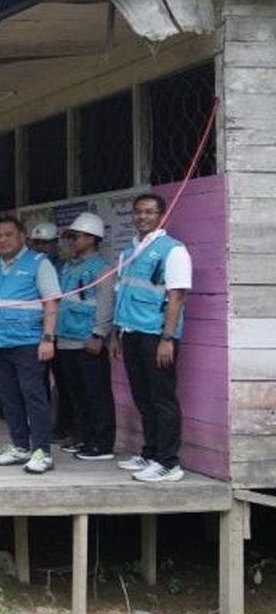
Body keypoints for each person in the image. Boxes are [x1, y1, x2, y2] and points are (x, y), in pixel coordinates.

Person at [0, 216, 61, 474]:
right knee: (9, 397)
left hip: (29, 343)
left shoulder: (39, 264)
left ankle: (41, 451)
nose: (2, 240)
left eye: (8, 234)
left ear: (22, 237)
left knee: (34, 396)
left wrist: (48, 338)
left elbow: (52, 302)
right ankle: (20, 446)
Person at [112, 193, 192, 483]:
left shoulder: (173, 250)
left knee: (162, 399)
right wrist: (118, 334)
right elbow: (123, 292)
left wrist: (167, 338)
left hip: (157, 336)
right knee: (143, 397)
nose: (142, 217)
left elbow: (177, 296)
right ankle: (150, 452)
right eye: (138, 211)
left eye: (149, 212)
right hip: (131, 332)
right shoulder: (130, 250)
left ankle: (168, 463)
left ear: (161, 215)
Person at [55, 212, 116, 461]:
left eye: (76, 237)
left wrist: (99, 334)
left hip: (88, 340)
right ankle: (84, 437)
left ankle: (101, 444)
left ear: (92, 238)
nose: (72, 242)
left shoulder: (101, 268)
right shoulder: (70, 266)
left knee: (96, 393)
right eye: (71, 237)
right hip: (66, 338)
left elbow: (105, 302)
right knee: (76, 393)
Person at [30, 221, 75, 446]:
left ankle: (64, 426)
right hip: (34, 334)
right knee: (38, 383)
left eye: (45, 243)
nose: (41, 247)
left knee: (65, 382)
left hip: (60, 332)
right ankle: (44, 426)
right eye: (37, 243)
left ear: (55, 244)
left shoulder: (65, 267)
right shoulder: (30, 266)